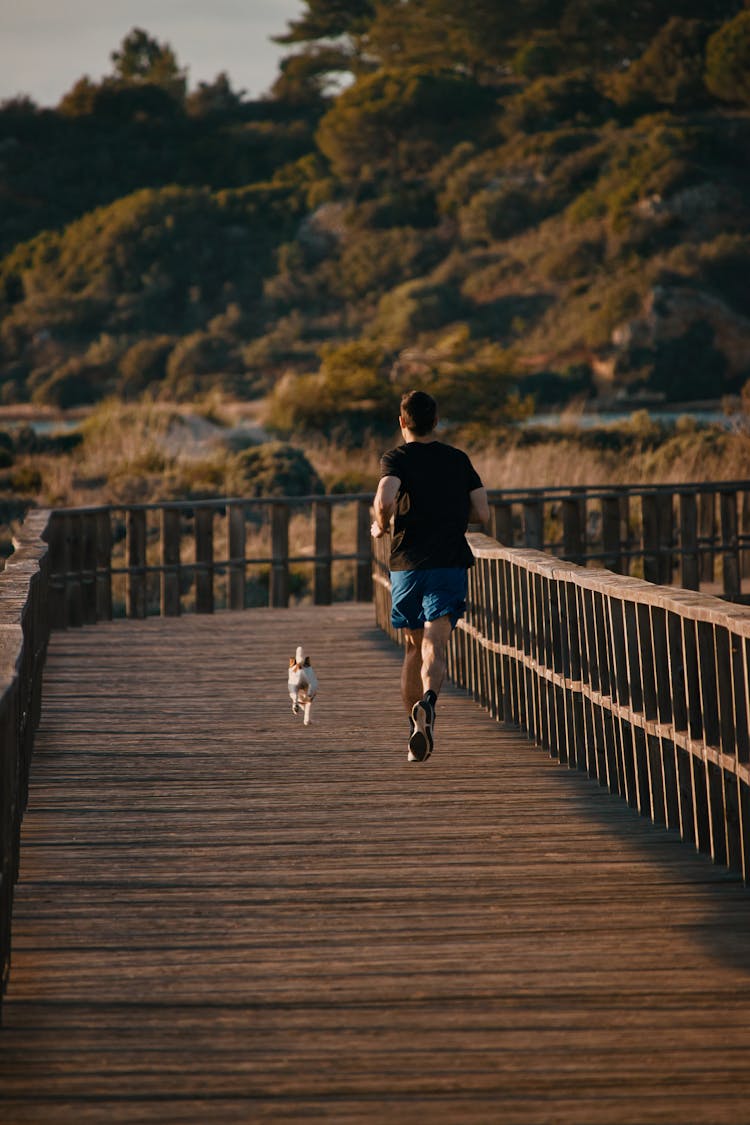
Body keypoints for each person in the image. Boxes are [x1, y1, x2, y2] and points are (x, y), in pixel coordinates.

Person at [371, 390, 490, 763]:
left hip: (408, 564)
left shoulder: (396, 457)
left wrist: (382, 524)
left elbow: (385, 497)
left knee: (411, 645)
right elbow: (483, 512)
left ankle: (414, 727)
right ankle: (430, 702)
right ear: (436, 422)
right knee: (435, 644)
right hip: (449, 563)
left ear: (402, 422)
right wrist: (452, 515)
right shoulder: (458, 459)